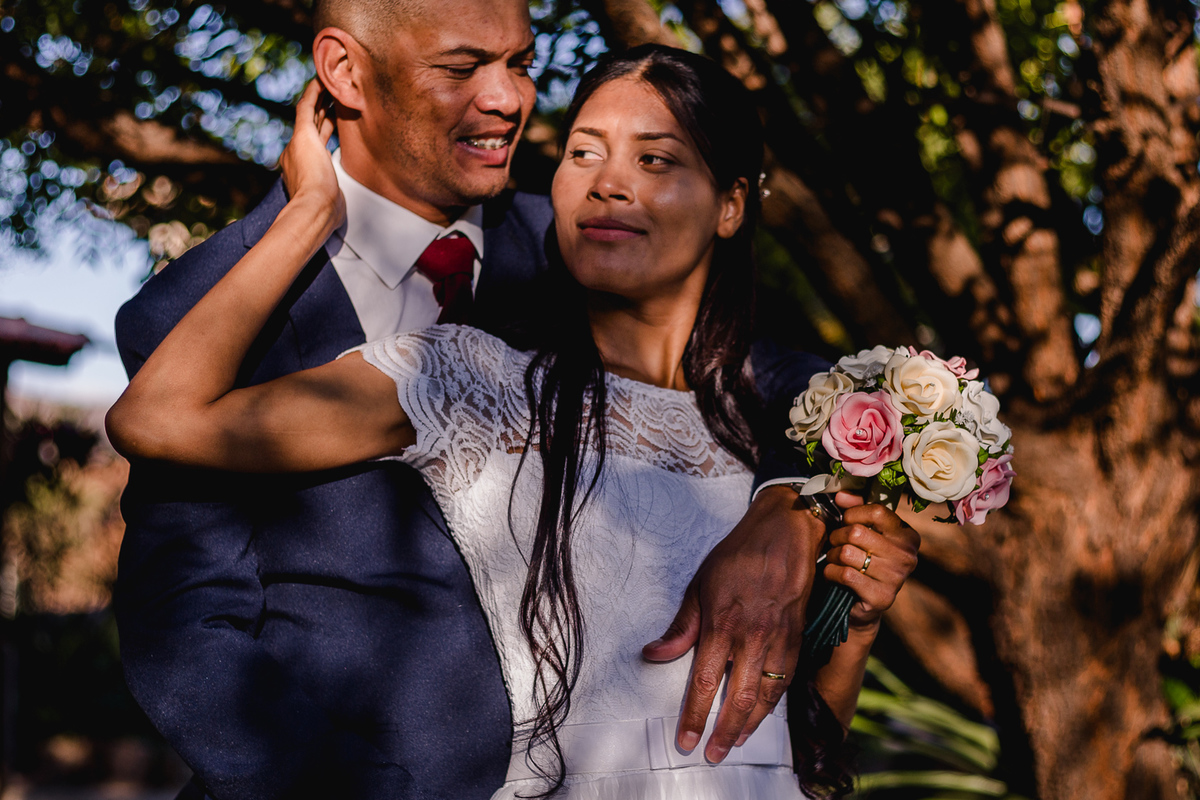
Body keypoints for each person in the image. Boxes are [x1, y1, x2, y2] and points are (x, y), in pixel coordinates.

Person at [108, 45, 919, 799]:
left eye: (656, 159)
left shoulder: (776, 432)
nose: (608, 182)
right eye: (583, 151)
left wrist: (856, 619)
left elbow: (793, 740)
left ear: (732, 205)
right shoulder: (469, 380)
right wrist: (305, 215)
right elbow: (158, 417)